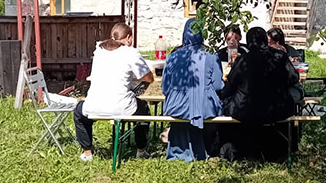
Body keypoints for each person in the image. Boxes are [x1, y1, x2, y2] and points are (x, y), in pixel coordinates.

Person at [72, 23, 154, 162]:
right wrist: (133, 77)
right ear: (128, 38)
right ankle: (141, 150)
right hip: (121, 106)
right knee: (143, 110)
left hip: (94, 104)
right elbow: (149, 78)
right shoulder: (130, 52)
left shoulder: (99, 50)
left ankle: (87, 153)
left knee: (79, 113)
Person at [219, 27, 300, 161]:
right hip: (277, 109)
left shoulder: (242, 61)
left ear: (249, 42)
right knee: (294, 93)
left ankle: (229, 148)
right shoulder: (280, 56)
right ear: (265, 40)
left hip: (246, 111)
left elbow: (229, 87)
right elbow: (293, 78)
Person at [162, 19, 223, 162]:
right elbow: (218, 86)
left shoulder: (173, 56)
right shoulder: (211, 55)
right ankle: (205, 148)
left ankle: (180, 149)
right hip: (205, 107)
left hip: (176, 106)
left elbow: (165, 87)